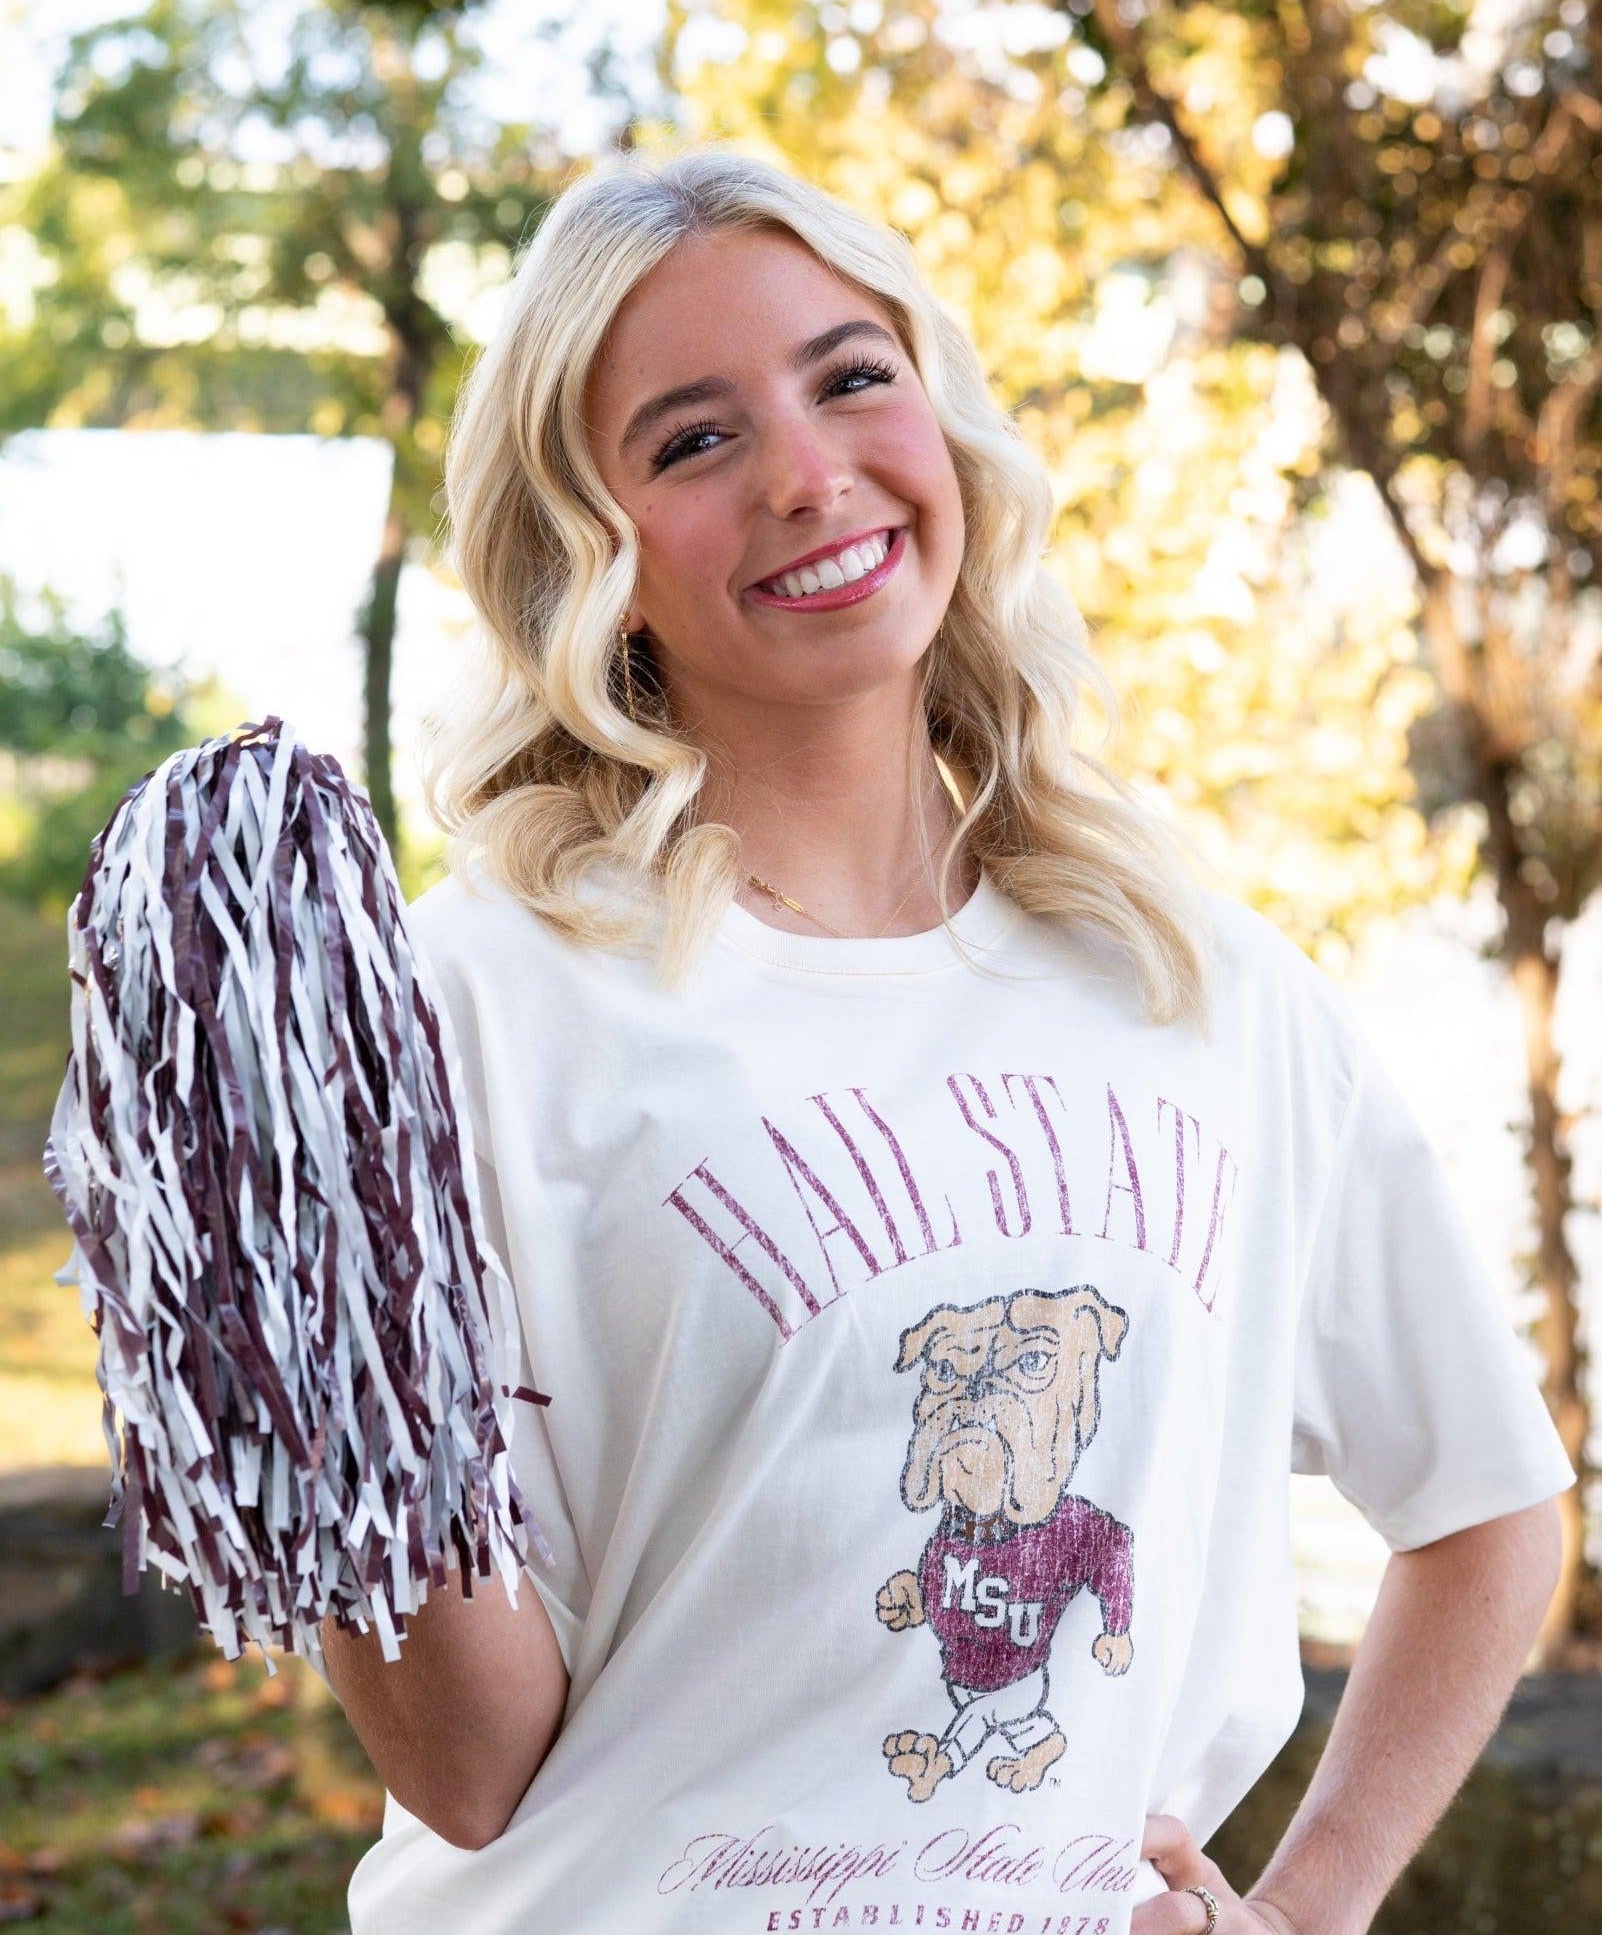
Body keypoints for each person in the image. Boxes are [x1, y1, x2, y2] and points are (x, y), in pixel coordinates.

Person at [327, 141, 1574, 1935]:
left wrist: (1307, 1908)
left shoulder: (1197, 987)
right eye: (692, 437)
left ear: (942, 418)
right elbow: (468, 1765)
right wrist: (306, 1348)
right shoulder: (468, 1004)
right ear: (583, 549)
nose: (808, 474)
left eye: (851, 378)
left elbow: (1484, 1504)